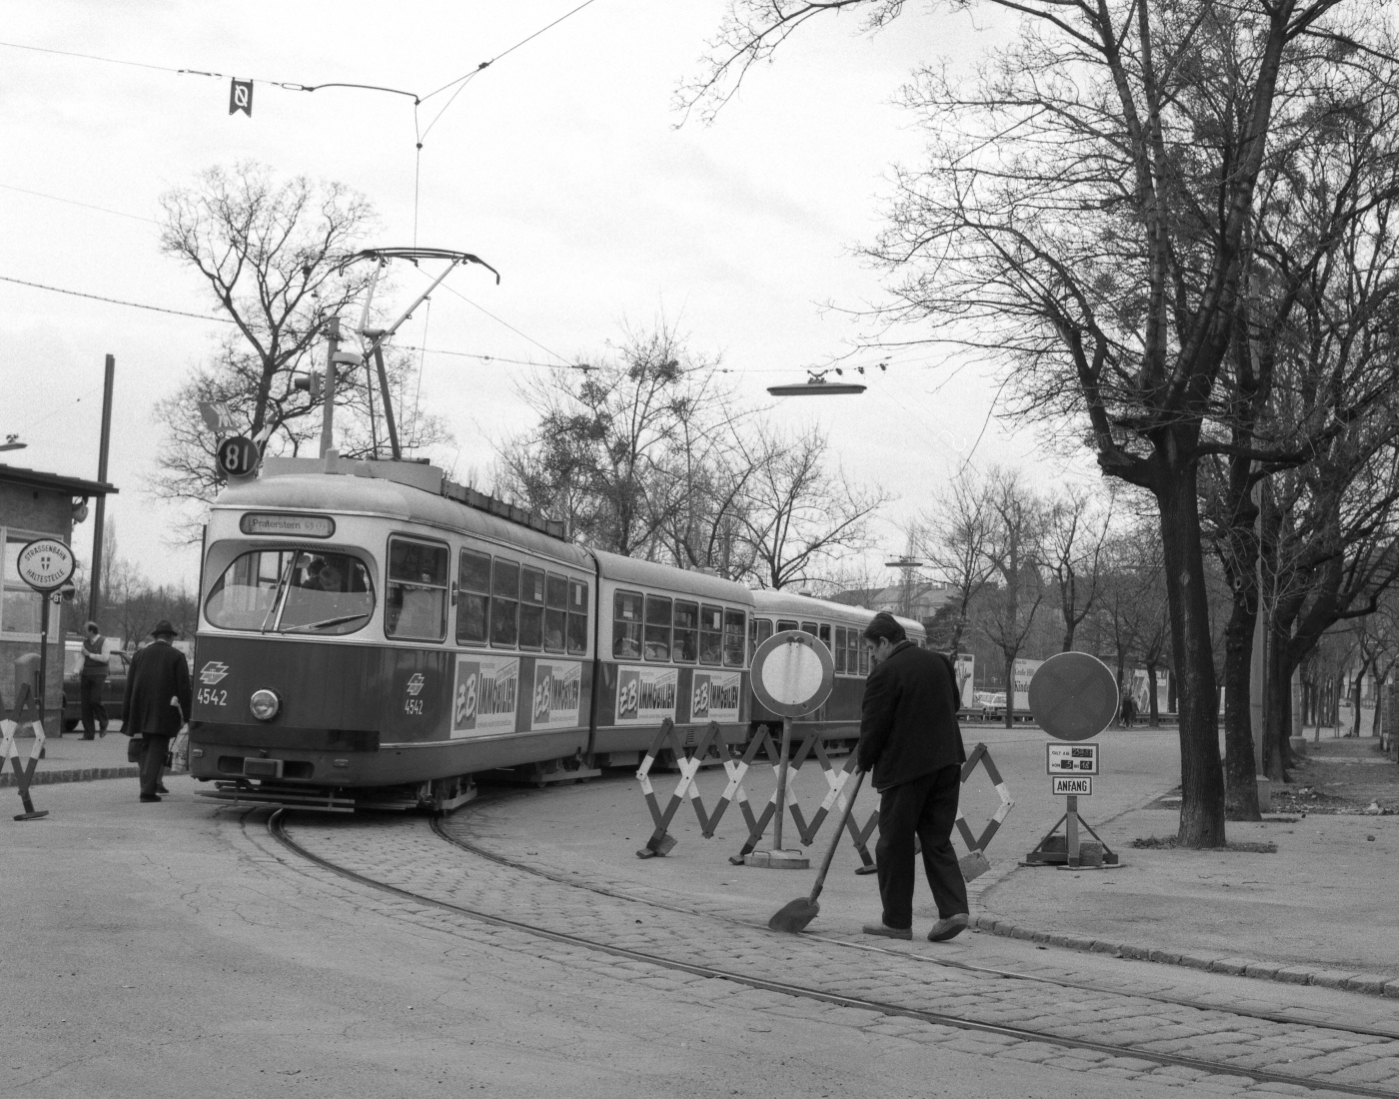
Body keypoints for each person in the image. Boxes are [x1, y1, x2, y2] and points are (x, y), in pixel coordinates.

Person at [855, 611, 969, 943]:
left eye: (872, 649)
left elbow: (873, 726)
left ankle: (896, 921)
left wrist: (864, 759)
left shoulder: (883, 674)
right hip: (947, 763)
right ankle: (954, 910)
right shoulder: (939, 663)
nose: (872, 657)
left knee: (894, 845)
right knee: (937, 839)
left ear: (885, 642)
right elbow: (955, 703)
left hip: (905, 771)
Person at [121, 620, 191, 803]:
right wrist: (189, 715)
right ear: (170, 638)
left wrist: (127, 712)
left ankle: (146, 786)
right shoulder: (177, 656)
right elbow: (184, 688)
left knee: (145, 747)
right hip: (164, 712)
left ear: (156, 636)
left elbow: (130, 685)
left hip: (141, 710)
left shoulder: (139, 655)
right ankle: (147, 791)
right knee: (157, 749)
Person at [78, 621, 112, 739]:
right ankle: (88, 733)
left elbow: (105, 658)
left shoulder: (104, 641)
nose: (83, 632)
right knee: (85, 704)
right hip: (87, 674)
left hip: (99, 674)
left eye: (85, 630)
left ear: (92, 631)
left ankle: (104, 722)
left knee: (94, 699)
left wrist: (90, 654)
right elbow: (82, 657)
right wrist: (76, 671)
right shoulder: (85, 643)